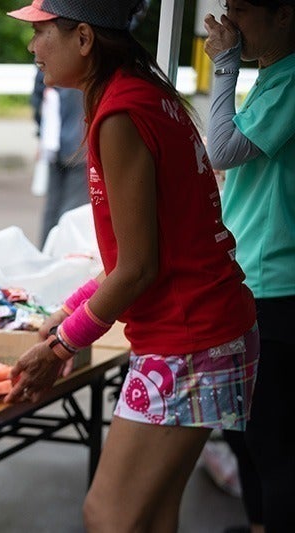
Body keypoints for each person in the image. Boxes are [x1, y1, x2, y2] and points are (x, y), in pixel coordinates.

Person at [4, 1, 260, 531]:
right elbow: (140, 253)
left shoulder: (121, 112)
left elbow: (138, 269)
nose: (32, 46)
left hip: (188, 340)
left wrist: (61, 346)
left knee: (109, 515)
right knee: (152, 517)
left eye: (42, 32)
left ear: (83, 38)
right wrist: (70, 310)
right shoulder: (142, 93)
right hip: (208, 331)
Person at [203, 1, 295, 531]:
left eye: (241, 9)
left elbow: (221, 149)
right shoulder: (274, 75)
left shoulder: (290, 81)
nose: (230, 21)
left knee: (271, 441)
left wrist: (224, 65)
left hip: (274, 284)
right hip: (253, 276)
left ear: (283, 14)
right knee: (247, 434)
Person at [30, 69, 89, 247]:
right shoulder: (83, 64)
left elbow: (37, 101)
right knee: (72, 209)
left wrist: (42, 136)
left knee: (53, 207)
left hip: (52, 143)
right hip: (79, 146)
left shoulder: (46, 63)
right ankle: (61, 255)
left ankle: (45, 253)